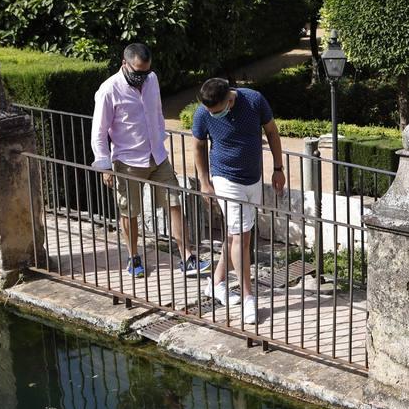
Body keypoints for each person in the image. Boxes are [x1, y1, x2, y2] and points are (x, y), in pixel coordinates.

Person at [91, 42, 206, 279]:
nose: (142, 76)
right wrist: (104, 167)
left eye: (146, 71)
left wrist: (160, 136)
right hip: (128, 161)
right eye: (138, 72)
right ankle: (133, 257)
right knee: (130, 212)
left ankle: (187, 258)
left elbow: (157, 111)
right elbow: (99, 132)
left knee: (174, 203)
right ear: (124, 64)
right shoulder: (108, 90)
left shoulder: (151, 79)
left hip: (157, 156)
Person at [191, 78, 285, 326]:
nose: (213, 116)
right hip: (225, 178)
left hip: (252, 177)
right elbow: (198, 147)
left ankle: (215, 283)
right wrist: (204, 181)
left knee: (235, 235)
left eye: (217, 112)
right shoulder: (202, 113)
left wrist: (278, 168)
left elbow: (272, 132)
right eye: (210, 112)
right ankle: (248, 298)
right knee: (242, 237)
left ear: (229, 100)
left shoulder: (253, 99)